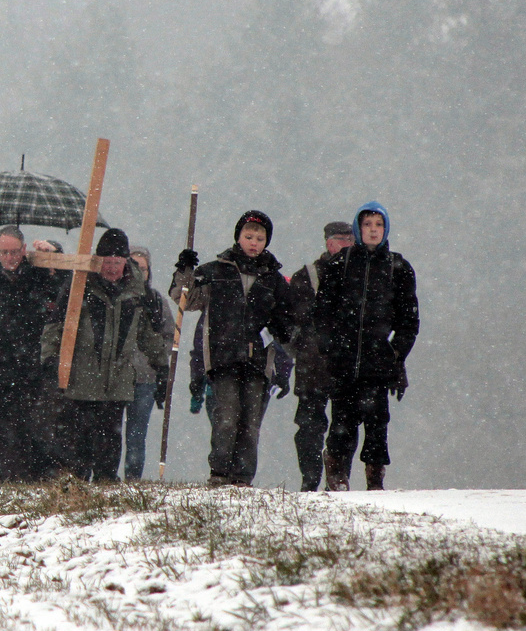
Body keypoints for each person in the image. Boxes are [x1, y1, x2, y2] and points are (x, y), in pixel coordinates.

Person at [171, 210, 294, 487]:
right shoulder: (216, 271)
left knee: (250, 424)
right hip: (223, 358)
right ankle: (219, 474)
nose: (254, 242)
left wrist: (285, 353)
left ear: (267, 242)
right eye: (248, 236)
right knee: (226, 418)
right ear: (238, 237)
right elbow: (185, 300)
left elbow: (288, 323)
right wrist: (184, 272)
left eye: (260, 238)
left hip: (260, 362)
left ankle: (242, 478)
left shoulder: (274, 280)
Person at [43, 228, 170, 482]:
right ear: (98, 261)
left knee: (110, 439)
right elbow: (56, 326)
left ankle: (106, 486)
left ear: (126, 262)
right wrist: (49, 359)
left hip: (118, 381)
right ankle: (77, 487)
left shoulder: (136, 293)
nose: (112, 268)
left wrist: (162, 367)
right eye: (107, 262)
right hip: (82, 380)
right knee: (80, 439)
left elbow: (146, 334)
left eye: (117, 262)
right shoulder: (79, 286)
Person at [314, 202, 419, 491]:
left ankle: (375, 481)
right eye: (367, 224)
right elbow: (322, 313)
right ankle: (336, 476)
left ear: (386, 229)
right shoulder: (340, 265)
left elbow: (409, 321)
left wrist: (395, 354)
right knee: (341, 423)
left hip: (378, 362)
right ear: (358, 228)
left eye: (379, 224)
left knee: (377, 424)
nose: (373, 230)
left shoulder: (399, 268)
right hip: (344, 360)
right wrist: (330, 349)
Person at [0, 226, 64, 482]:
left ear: (24, 250)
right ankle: (1, 481)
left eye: (15, 252)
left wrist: (55, 259)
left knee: (28, 429)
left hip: (29, 367)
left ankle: (25, 481)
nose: (10, 257)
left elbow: (65, 293)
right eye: (5, 252)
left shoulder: (36, 277)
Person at [284, 221, 356, 491]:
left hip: (346, 366)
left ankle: (339, 480)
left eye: (351, 238)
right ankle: (310, 481)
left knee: (344, 427)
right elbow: (294, 322)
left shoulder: (361, 275)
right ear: (329, 243)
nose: (348, 244)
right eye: (342, 239)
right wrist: (305, 349)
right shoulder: (307, 276)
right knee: (309, 428)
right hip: (312, 366)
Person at [121, 245, 175, 481]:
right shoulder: (117, 297)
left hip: (145, 379)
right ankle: (106, 479)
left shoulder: (156, 301)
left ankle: (132, 481)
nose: (138, 272)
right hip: (116, 376)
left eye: (142, 268)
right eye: (133, 267)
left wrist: (157, 365)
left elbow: (168, 335)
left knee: (136, 435)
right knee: (108, 434)